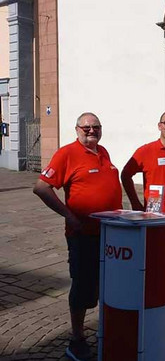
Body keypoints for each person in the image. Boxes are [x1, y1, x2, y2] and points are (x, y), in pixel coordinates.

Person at [33, 112, 122, 361]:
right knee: (82, 287)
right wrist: (68, 215)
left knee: (102, 285)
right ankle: (77, 338)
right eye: (86, 127)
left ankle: (105, 330)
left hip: (110, 234)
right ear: (76, 129)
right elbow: (41, 187)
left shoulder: (103, 152)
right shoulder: (67, 153)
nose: (91, 130)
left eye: (96, 127)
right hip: (83, 235)